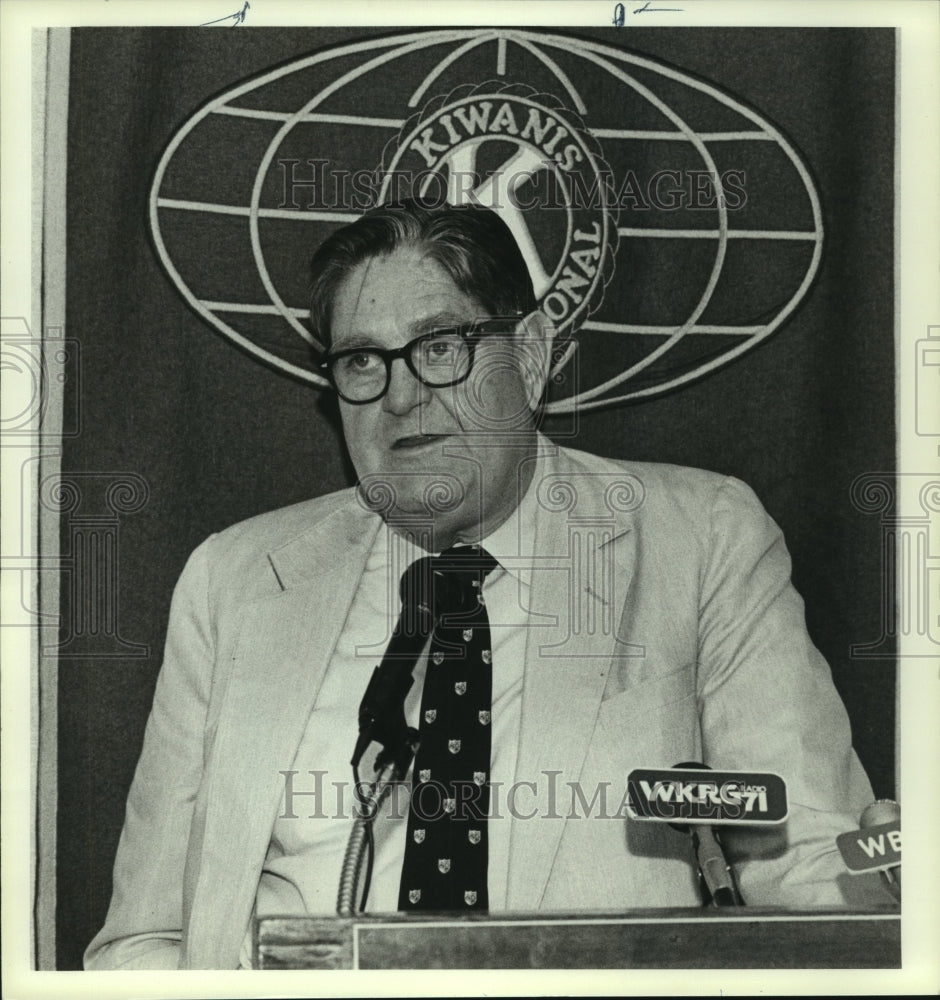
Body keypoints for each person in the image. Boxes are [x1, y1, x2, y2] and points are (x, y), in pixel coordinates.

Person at [85, 200, 892, 971]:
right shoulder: (233, 582)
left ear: (531, 355)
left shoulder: (701, 539)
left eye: (442, 346)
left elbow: (811, 869)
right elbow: (142, 940)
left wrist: (889, 889)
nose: (400, 395)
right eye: (362, 360)